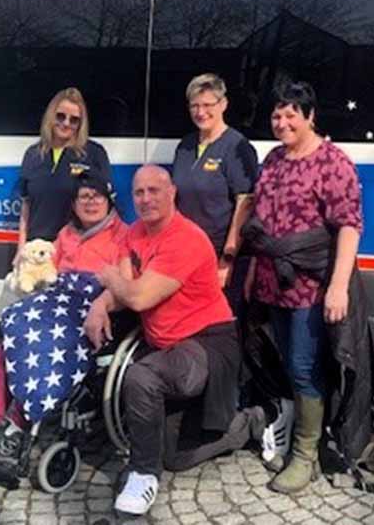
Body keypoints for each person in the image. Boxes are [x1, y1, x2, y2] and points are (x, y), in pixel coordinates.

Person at [84, 165, 268, 517]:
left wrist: (108, 279)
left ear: (173, 194)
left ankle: (141, 474)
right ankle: (248, 423)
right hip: (168, 346)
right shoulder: (135, 232)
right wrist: (100, 303)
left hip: (207, 344)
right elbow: (123, 289)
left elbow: (136, 297)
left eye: (155, 190)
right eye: (139, 192)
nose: (146, 198)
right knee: (175, 456)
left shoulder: (186, 238)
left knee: (142, 377)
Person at [243, 80, 370, 494]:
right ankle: (296, 440)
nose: (281, 122)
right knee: (284, 362)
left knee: (303, 366)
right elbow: (260, 220)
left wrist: (339, 288)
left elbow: (349, 226)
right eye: (276, 115)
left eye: (290, 114)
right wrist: (251, 270)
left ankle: (306, 454)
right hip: (271, 280)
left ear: (310, 116)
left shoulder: (333, 162)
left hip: (310, 285)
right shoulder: (274, 160)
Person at [0, 171, 127, 466]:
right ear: (73, 204)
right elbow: (50, 276)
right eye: (83, 197)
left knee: (45, 345)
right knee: (14, 330)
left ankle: (16, 423)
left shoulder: (123, 236)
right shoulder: (65, 235)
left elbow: (125, 285)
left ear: (109, 199)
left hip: (91, 311)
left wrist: (101, 302)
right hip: (55, 304)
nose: (91, 202)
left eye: (97, 195)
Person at [170, 73, 259, 308]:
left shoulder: (237, 146)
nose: (201, 112)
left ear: (223, 104)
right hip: (186, 256)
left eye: (208, 105)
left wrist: (226, 261)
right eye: (194, 106)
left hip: (218, 258)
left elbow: (245, 204)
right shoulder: (185, 146)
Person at [16, 87, 112, 253]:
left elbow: (104, 210)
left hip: (74, 251)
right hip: (38, 250)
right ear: (50, 116)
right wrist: (21, 249)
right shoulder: (33, 154)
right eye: (60, 116)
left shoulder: (94, 154)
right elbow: (26, 206)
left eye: (74, 120)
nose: (66, 123)